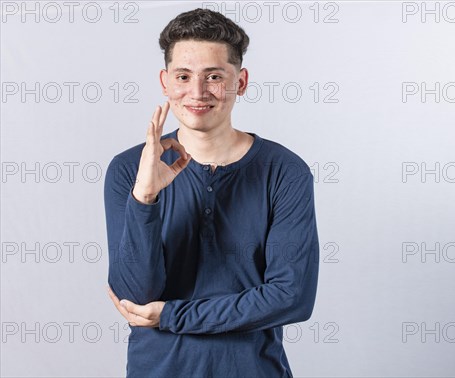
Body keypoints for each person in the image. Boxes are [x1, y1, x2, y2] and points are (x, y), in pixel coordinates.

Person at [103, 8, 319, 377]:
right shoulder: (128, 170)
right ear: (165, 82)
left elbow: (291, 297)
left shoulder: (285, 171)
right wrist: (145, 198)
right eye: (183, 76)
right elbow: (136, 298)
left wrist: (171, 314)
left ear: (242, 80)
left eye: (215, 76)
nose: (197, 92)